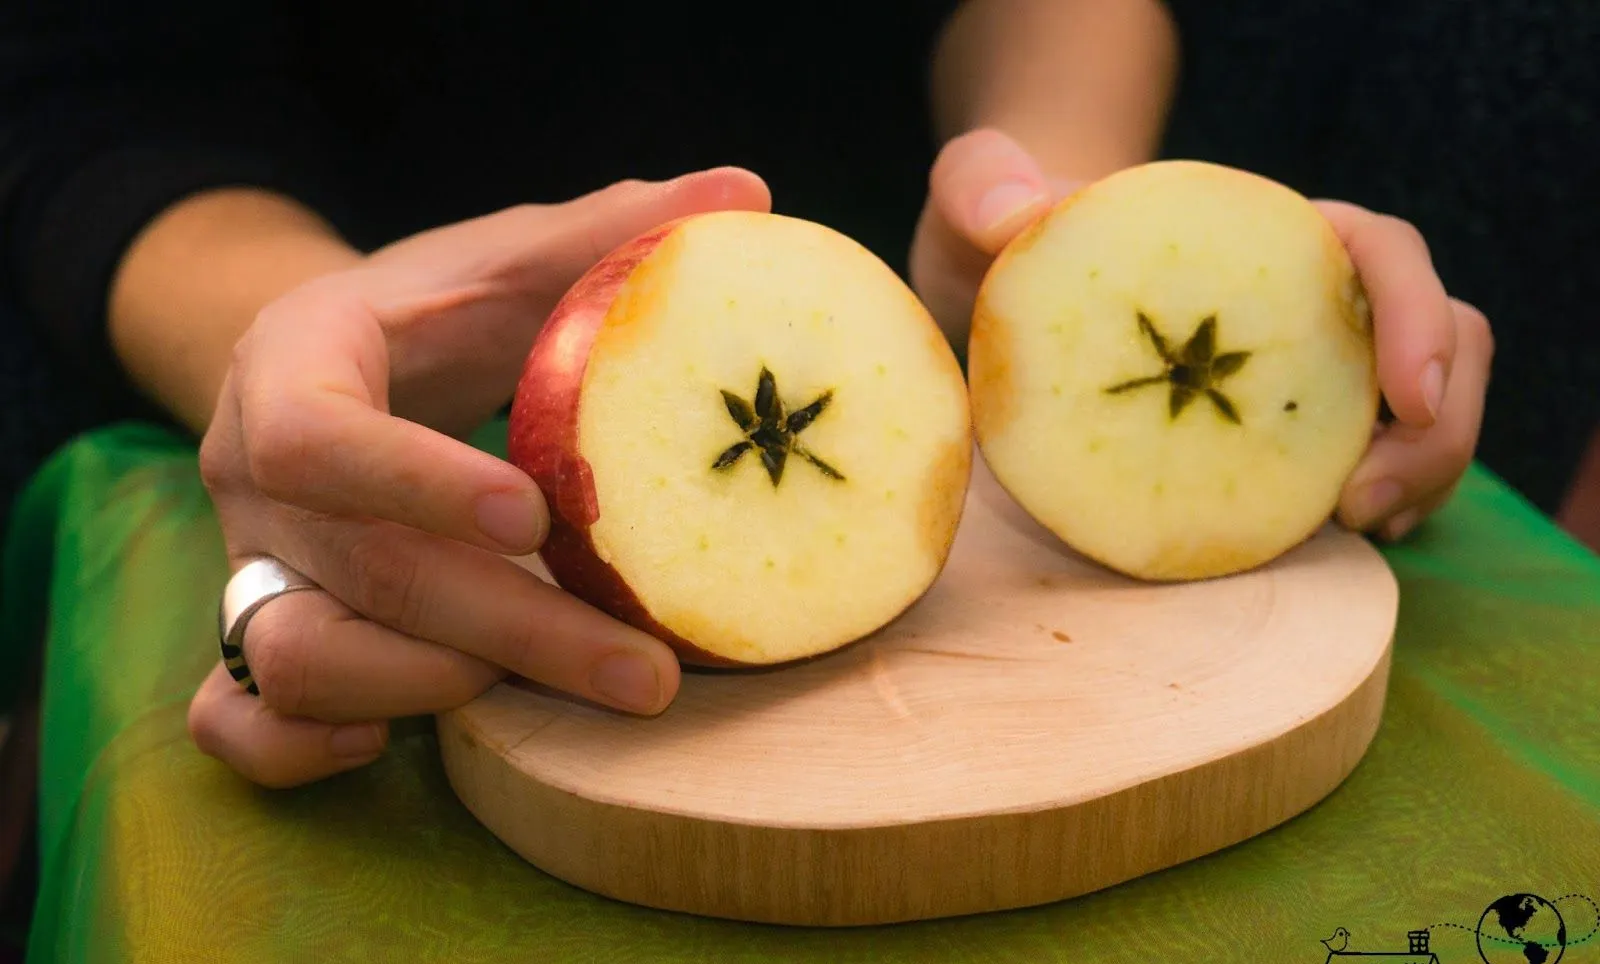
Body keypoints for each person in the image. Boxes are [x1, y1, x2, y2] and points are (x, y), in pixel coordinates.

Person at [0, 0, 1532, 790]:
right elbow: (98, 90)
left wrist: (1048, 226)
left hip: (905, 269)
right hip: (329, 308)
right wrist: (293, 357)